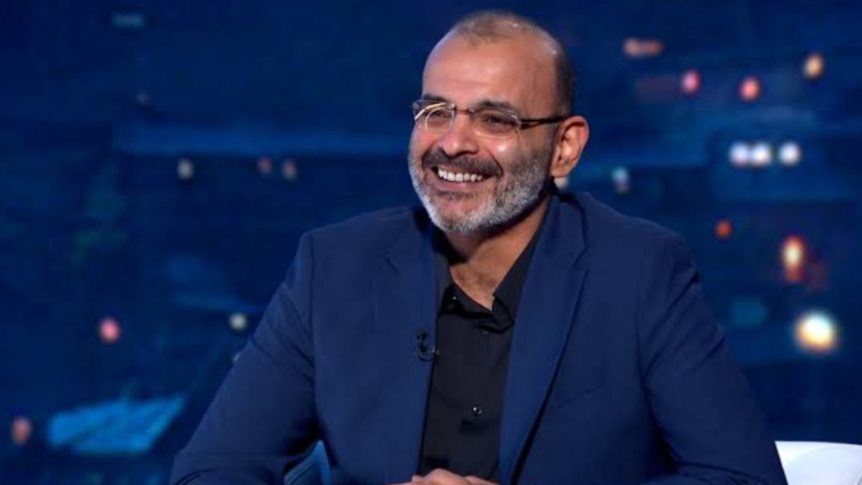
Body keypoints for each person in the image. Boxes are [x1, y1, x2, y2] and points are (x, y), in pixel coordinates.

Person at [171, 10, 787, 485]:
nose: (452, 143)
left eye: (495, 120)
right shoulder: (333, 267)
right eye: (436, 111)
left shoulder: (639, 271)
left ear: (565, 148)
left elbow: (743, 479)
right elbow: (211, 471)